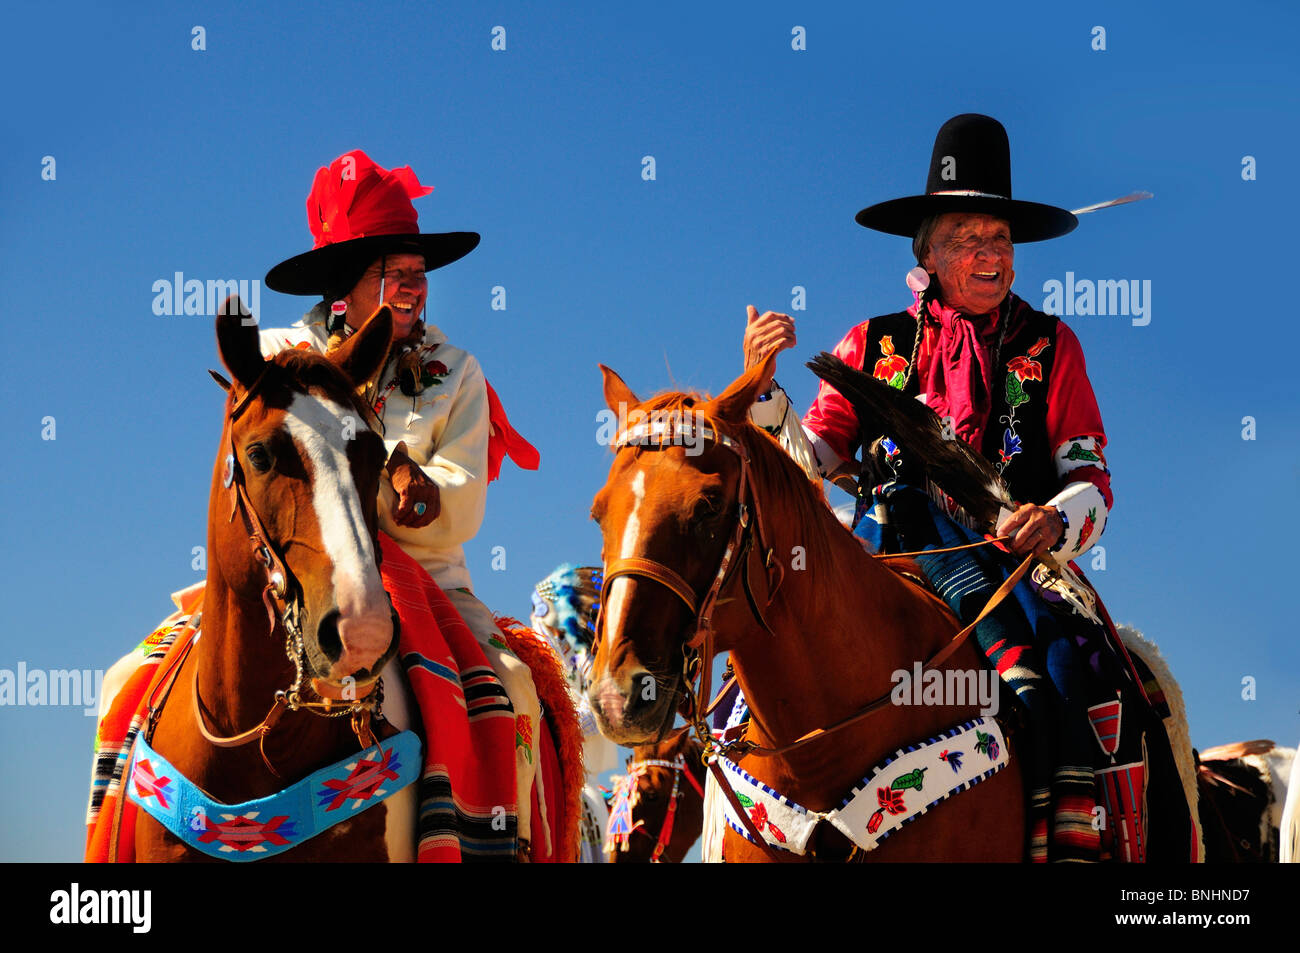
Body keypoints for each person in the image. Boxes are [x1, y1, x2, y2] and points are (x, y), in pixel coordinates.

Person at [740, 115, 1193, 861]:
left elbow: (1092, 478)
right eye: (965, 237)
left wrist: (1053, 517)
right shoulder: (872, 343)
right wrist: (763, 393)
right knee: (750, 674)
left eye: (1000, 239)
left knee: (1080, 672)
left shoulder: (1052, 345)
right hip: (884, 551)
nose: (988, 254)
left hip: (1015, 561)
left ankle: (1085, 845)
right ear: (927, 251)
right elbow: (812, 461)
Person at [260, 149, 542, 855]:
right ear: (345, 286)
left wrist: (407, 503)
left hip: (434, 586)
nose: (418, 288)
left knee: (516, 688)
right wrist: (374, 483)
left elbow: (465, 506)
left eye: (421, 275)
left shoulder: (458, 372)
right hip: (293, 574)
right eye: (399, 274)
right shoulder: (280, 357)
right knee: (131, 682)